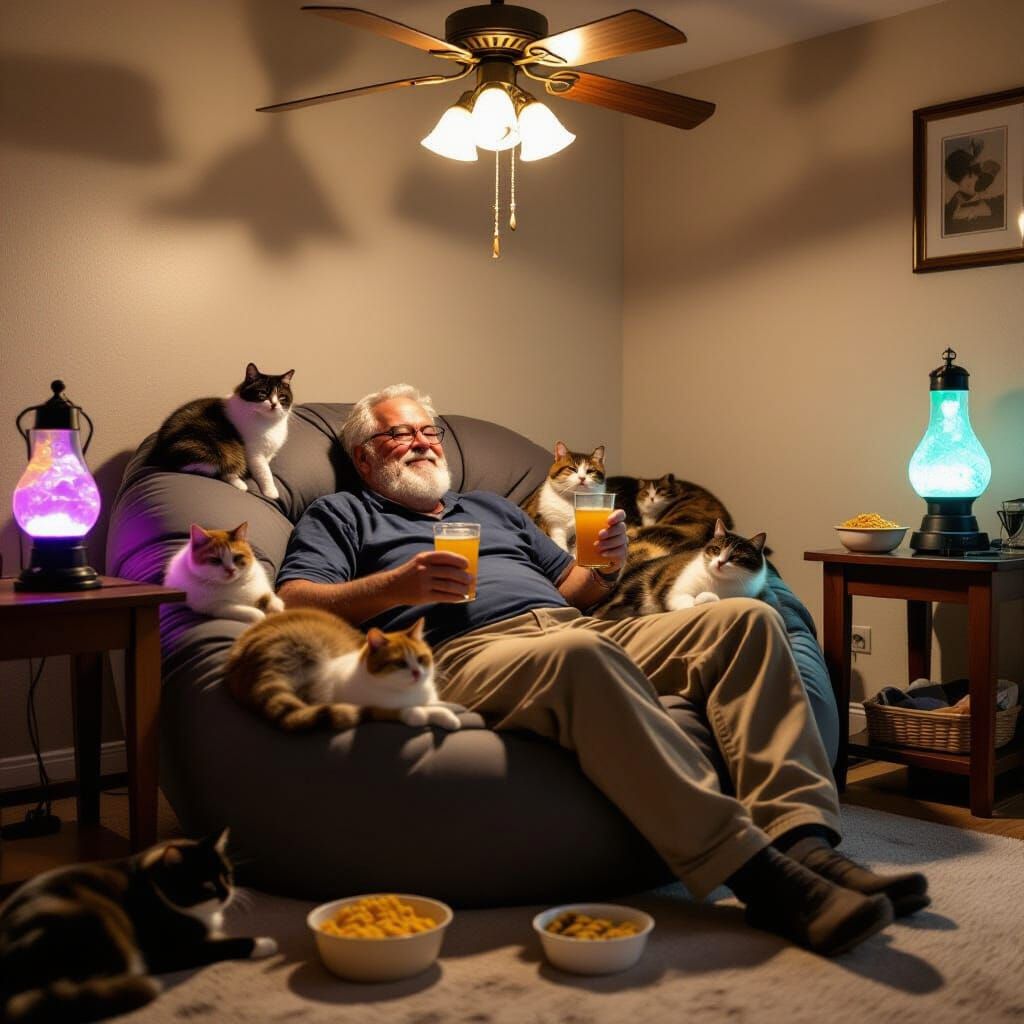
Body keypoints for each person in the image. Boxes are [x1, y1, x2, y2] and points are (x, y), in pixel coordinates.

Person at [276, 384, 929, 957]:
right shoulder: (343, 515)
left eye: (428, 431)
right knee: (581, 655)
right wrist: (398, 583)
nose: (422, 444)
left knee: (747, 622)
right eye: (399, 434)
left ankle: (806, 843)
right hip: (463, 652)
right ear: (365, 456)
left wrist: (608, 563)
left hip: (573, 628)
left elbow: (578, 592)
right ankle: (758, 875)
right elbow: (296, 600)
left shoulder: (495, 509)